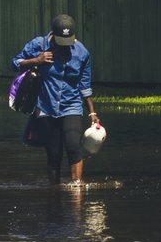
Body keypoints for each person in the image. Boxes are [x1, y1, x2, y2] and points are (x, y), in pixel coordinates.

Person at [14, 14, 101, 185]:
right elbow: (15, 63)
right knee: (54, 153)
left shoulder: (82, 53)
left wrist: (92, 112)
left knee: (73, 147)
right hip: (46, 106)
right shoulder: (38, 44)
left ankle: (76, 190)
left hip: (71, 105)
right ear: (53, 35)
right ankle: (54, 192)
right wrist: (36, 60)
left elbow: (84, 85)